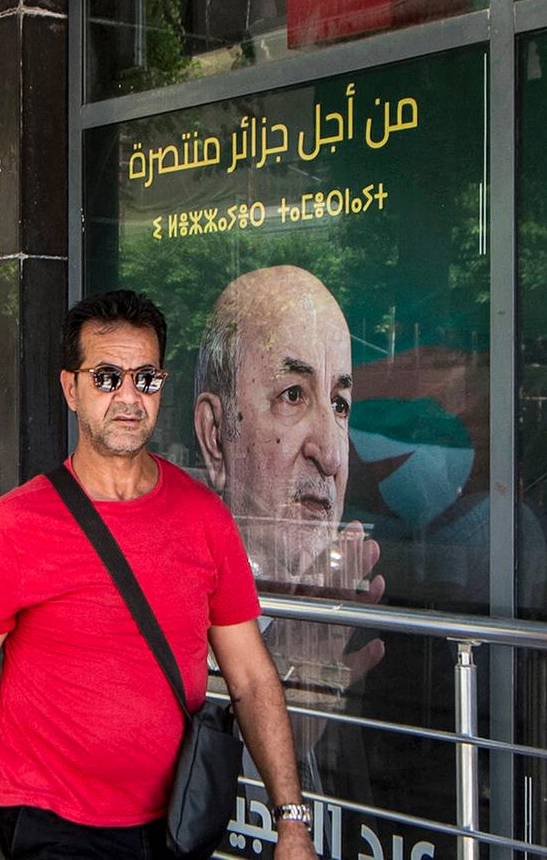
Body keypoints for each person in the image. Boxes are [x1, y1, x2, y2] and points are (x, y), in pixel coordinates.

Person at [0, 290, 314, 860]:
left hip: (176, 821)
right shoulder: (16, 525)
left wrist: (291, 821)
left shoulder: (203, 518)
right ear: (71, 389)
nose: (128, 397)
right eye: (107, 377)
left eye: (145, 378)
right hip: (54, 823)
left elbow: (251, 679)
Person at [192, 267, 384, 763]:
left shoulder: (341, 619)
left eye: (340, 404)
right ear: (216, 437)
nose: (332, 454)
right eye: (293, 395)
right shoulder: (168, 601)